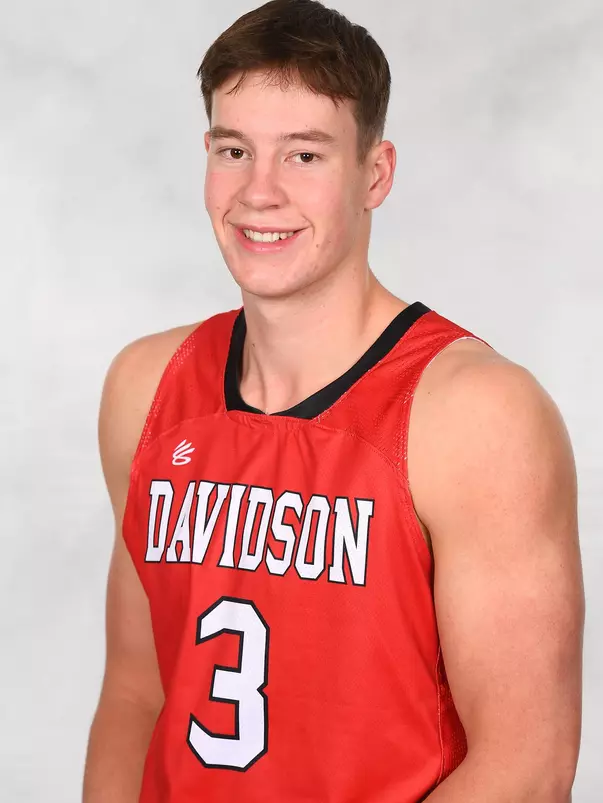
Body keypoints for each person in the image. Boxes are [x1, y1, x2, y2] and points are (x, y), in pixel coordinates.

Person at [82, 1, 584, 801]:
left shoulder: (477, 413)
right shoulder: (145, 385)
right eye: (234, 149)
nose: (260, 192)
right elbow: (136, 691)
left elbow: (526, 770)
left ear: (373, 174)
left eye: (305, 155)